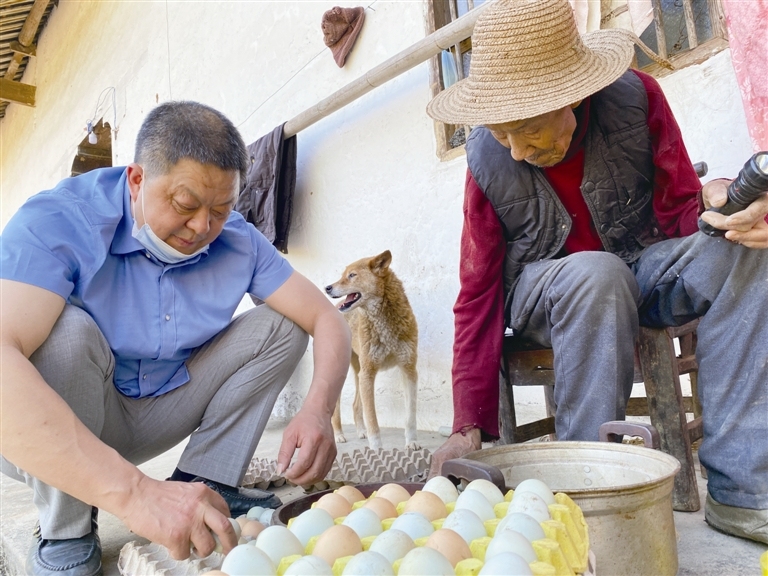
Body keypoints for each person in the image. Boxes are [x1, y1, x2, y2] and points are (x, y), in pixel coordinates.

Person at [426, 0, 768, 546]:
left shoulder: (636, 100)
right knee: (595, 273)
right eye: (501, 132)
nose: (514, 149)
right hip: (545, 291)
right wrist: (467, 425)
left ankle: (745, 494)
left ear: (573, 96)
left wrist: (717, 203)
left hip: (641, 266)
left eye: (527, 129)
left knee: (745, 249)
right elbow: (479, 294)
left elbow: (679, 212)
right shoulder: (490, 160)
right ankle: (581, 497)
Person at [0, 101, 352, 576]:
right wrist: (136, 495)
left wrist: (318, 411)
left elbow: (326, 319)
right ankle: (67, 528)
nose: (202, 227)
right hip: (59, 420)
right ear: (136, 179)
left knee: (281, 325)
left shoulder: (237, 241)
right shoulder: (61, 221)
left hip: (153, 412)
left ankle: (206, 479)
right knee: (64, 332)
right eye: (185, 205)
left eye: (221, 209)